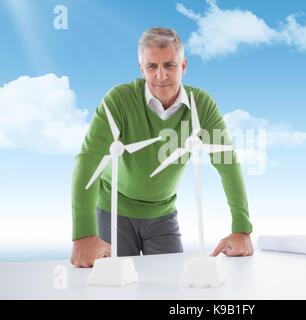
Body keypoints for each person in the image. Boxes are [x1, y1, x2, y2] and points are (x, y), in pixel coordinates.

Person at [70, 27, 253, 268]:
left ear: (184, 66)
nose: (161, 75)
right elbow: (88, 160)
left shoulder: (202, 106)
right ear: (141, 68)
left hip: (163, 215)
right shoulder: (119, 100)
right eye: (152, 67)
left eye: (169, 65)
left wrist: (242, 229)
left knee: (172, 285)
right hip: (112, 211)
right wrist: (83, 234)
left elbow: (227, 164)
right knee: (114, 287)